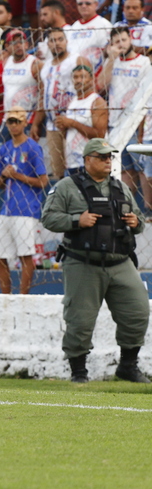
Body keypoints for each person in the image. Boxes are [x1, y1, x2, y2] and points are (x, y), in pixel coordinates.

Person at [40, 138, 150, 384]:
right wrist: (77, 220)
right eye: (101, 157)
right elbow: (48, 218)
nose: (107, 161)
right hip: (83, 262)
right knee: (80, 319)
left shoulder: (121, 187)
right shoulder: (67, 186)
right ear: (87, 160)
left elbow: (140, 220)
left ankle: (128, 367)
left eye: (109, 157)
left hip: (121, 262)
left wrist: (135, 222)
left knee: (138, 312)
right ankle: (79, 373)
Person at [0, 108, 49, 294]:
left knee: (26, 254)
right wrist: (3, 175)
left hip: (26, 209)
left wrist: (17, 175)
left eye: (17, 121)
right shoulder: (5, 147)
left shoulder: (33, 147)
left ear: (25, 123)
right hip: (7, 208)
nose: (14, 125)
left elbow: (43, 181)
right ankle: (6, 296)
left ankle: (23, 296)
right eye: (10, 121)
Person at [98, 26, 151, 193]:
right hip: (116, 125)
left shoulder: (143, 62)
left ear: (131, 40)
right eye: (116, 42)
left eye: (123, 40)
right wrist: (111, 58)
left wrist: (142, 129)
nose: (121, 44)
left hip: (137, 124)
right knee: (124, 170)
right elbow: (101, 85)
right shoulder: (112, 62)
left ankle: (149, 212)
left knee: (143, 170)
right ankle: (127, 209)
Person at [33, 28, 89, 180]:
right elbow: (43, 95)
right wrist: (35, 123)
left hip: (75, 122)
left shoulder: (77, 60)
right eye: (52, 40)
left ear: (66, 41)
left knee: (78, 169)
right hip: (52, 124)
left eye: (60, 39)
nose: (56, 43)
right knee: (58, 172)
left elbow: (91, 88)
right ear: (48, 44)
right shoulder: (45, 66)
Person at [57, 64, 107, 174]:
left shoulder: (97, 102)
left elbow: (100, 135)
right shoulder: (72, 101)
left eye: (83, 77)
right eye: (75, 77)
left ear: (91, 79)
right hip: (71, 162)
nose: (78, 80)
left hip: (90, 161)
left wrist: (72, 123)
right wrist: (63, 125)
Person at [67, 0, 112, 74]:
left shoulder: (104, 25)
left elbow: (108, 54)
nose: (84, 6)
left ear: (96, 5)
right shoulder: (74, 26)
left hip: (94, 74)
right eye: (80, 4)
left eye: (88, 3)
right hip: (73, 74)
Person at [1, 29, 41, 121]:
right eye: (14, 42)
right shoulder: (6, 61)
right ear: (7, 46)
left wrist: (36, 122)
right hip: (8, 117)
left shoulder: (35, 64)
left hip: (27, 119)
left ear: (26, 44)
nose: (18, 45)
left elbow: (43, 94)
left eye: (21, 42)